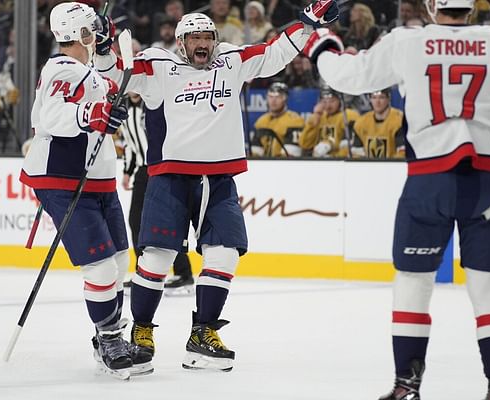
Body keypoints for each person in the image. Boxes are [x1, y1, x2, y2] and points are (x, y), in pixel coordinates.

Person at [305, 0, 490, 398]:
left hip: (428, 181)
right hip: (487, 182)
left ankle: (406, 386)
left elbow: (350, 75)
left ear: (434, 6)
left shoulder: (407, 42)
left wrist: (322, 41)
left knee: (413, 280)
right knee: (488, 285)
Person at [101, 2, 340, 372]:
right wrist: (102, 49)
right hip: (170, 178)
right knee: (157, 259)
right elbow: (116, 76)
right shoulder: (158, 65)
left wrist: (307, 23)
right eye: (193, 37)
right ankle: (142, 332)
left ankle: (202, 335)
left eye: (207, 37)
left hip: (219, 178)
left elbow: (274, 52)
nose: (202, 43)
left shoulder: (231, 59)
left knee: (225, 255)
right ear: (181, 42)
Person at [18, 2, 152, 380]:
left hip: (98, 177)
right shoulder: (63, 68)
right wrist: (90, 114)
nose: (96, 35)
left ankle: (107, 336)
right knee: (100, 265)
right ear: (79, 34)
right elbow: (50, 116)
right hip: (62, 177)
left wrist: (109, 62)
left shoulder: (88, 69)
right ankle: (110, 338)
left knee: (120, 260)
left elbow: (109, 91)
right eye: (92, 31)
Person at [118, 91, 197, 295]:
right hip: (143, 171)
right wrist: (128, 170)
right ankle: (142, 272)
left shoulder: (154, 103)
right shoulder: (124, 106)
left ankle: (184, 273)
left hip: (163, 168)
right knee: (136, 221)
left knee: (167, 221)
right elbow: (129, 143)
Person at [299, 86, 360, 158]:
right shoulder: (319, 117)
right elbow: (305, 144)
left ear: (340, 101)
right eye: (324, 101)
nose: (328, 106)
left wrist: (334, 157)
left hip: (340, 162)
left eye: (332, 101)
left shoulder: (349, 115)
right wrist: (314, 119)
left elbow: (351, 147)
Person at [251, 82, 305, 157]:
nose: (273, 101)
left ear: (285, 98)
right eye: (270, 96)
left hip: (283, 166)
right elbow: (255, 153)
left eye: (278, 97)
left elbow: (291, 154)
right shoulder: (261, 121)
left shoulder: (295, 121)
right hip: (263, 165)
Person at [350, 88, 405, 159]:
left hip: (392, 168)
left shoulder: (398, 120)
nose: (377, 101)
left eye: (381, 97)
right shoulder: (361, 123)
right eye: (374, 98)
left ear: (388, 99)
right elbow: (356, 153)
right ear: (370, 99)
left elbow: (402, 153)